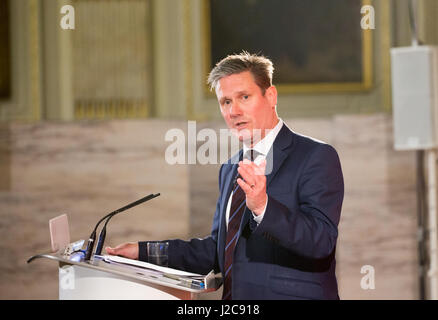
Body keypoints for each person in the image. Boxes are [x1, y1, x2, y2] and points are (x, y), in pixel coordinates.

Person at [106, 52, 344, 300]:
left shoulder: (315, 156)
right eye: (226, 102)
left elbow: (321, 242)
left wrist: (263, 207)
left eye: (244, 97)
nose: (234, 111)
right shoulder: (231, 167)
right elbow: (217, 251)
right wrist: (142, 253)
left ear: (271, 96)